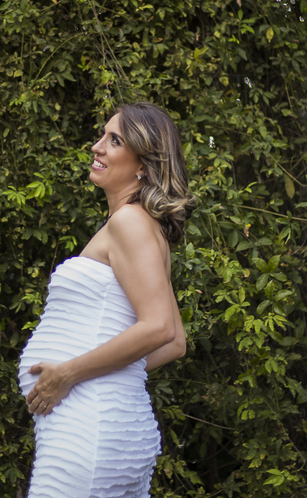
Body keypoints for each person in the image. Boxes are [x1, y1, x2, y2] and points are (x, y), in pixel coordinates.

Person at [18, 102, 195, 497]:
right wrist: (110, 374)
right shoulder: (140, 225)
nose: (97, 146)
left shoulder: (130, 223)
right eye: (103, 135)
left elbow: (160, 328)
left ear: (143, 165)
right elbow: (177, 343)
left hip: (89, 428)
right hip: (105, 422)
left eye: (115, 140)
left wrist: (69, 374)